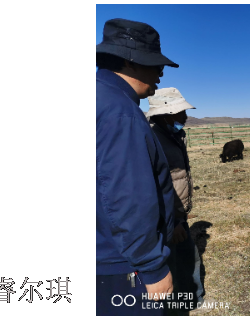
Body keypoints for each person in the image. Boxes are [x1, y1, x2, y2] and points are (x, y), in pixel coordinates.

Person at [96, 18, 180, 316]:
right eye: (155, 64)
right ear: (130, 61)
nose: (160, 73)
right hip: (121, 263)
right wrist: (152, 266)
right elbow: (127, 197)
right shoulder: (121, 113)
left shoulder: (102, 100)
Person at [146, 88, 215, 315]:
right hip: (167, 219)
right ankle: (175, 308)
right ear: (166, 114)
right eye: (180, 112)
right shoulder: (152, 140)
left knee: (189, 258)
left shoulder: (173, 136)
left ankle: (192, 299)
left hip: (178, 215)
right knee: (172, 265)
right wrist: (171, 221)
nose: (185, 117)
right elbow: (154, 187)